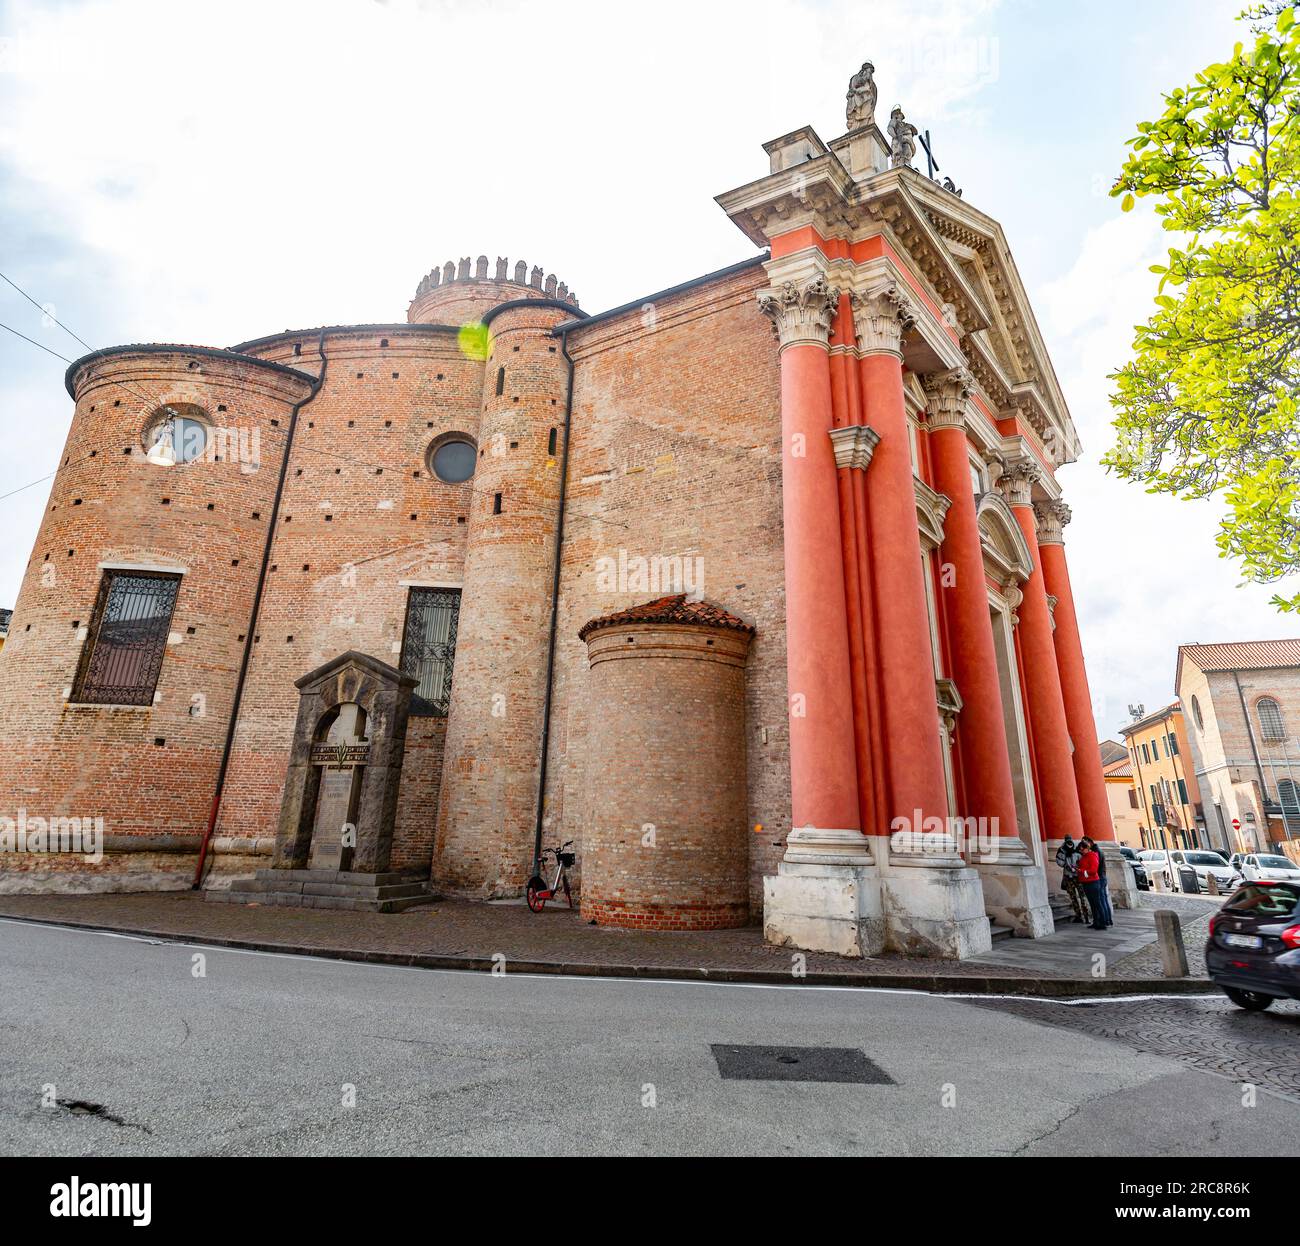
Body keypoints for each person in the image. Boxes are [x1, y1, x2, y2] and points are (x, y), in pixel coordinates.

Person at [1054, 836, 1091, 924]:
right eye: (1068, 841)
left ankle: (1086, 917)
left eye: (1070, 841)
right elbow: (1060, 862)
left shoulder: (1077, 850)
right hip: (1069, 877)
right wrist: (1065, 863)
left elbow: (1083, 862)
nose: (1069, 843)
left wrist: (1077, 867)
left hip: (1078, 876)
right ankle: (1079, 916)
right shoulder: (1062, 850)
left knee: (1081, 897)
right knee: (1074, 897)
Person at [1076, 839, 1107, 931]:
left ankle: (1102, 923)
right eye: (1080, 850)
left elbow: (1093, 870)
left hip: (1093, 882)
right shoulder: (1084, 857)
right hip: (1086, 882)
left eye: (1082, 849)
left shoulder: (1092, 856)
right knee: (1092, 904)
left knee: (1097, 903)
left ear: (1087, 848)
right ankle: (1096, 922)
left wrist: (1081, 871)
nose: (1081, 851)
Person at [1086, 836, 1114, 927]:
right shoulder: (1099, 850)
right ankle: (1108, 920)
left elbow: (1095, 867)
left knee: (1101, 900)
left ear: (1089, 842)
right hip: (1103, 877)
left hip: (1099, 878)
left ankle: (1104, 920)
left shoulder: (1095, 852)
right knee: (1103, 900)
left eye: (1085, 843)